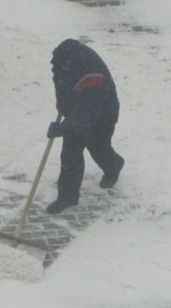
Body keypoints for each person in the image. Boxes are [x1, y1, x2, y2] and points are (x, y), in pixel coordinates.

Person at [45, 39, 125, 214]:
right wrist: (63, 105)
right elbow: (60, 82)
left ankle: (114, 165)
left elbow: (88, 109)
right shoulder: (62, 62)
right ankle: (67, 198)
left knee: (98, 148)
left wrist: (63, 128)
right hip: (78, 110)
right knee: (70, 155)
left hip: (102, 113)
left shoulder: (90, 71)